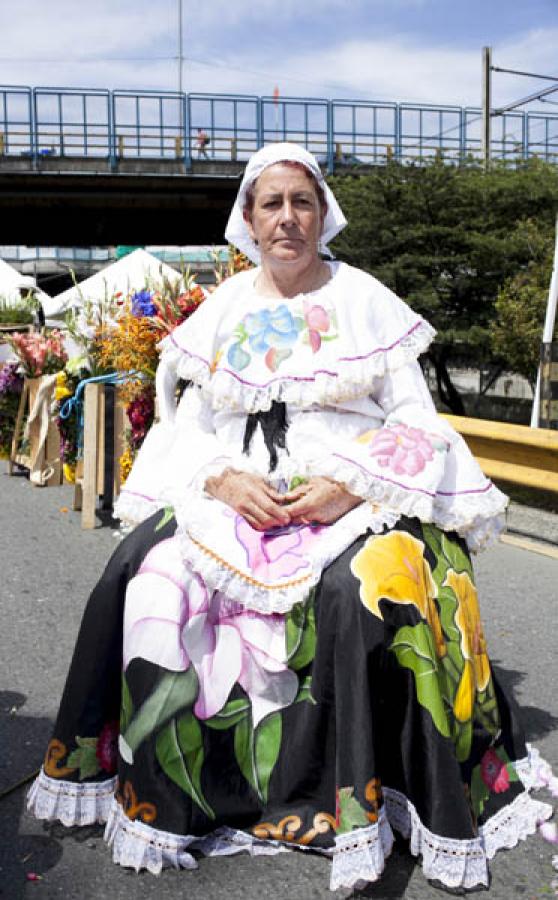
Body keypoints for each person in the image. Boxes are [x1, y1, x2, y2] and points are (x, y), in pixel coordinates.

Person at [28, 143, 553, 893]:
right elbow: (187, 426)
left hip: (356, 497)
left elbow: (418, 423)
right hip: (239, 496)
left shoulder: (366, 299)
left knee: (353, 593)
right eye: (270, 203)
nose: (286, 218)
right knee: (142, 575)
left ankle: (355, 798)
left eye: (300, 202)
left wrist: (354, 486)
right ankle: (172, 795)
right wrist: (222, 479)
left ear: (322, 214)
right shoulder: (225, 309)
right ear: (248, 219)